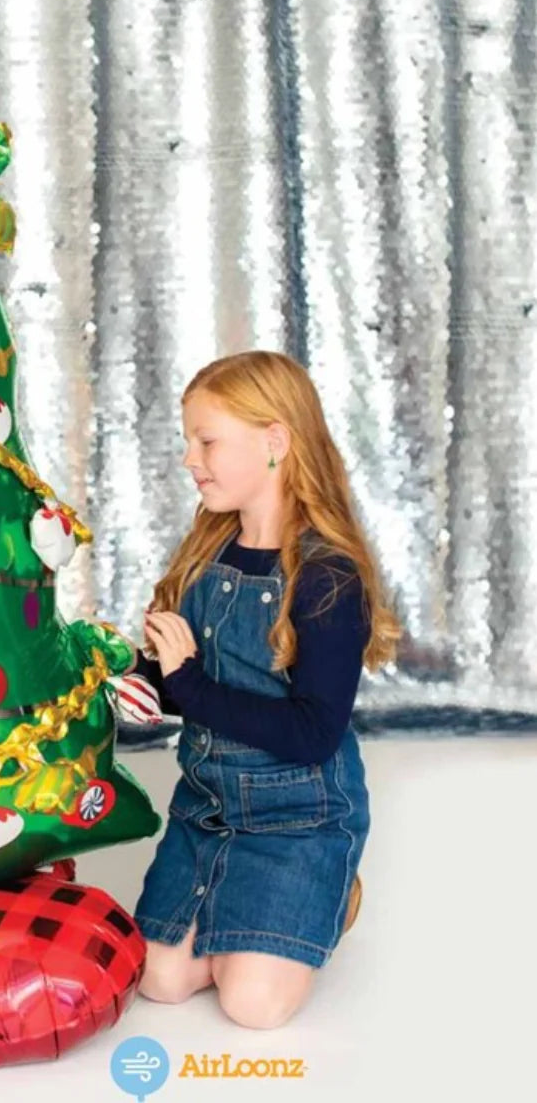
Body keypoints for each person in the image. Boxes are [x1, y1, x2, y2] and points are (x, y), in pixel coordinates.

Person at [122, 350, 400, 1029]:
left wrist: (184, 679)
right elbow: (182, 688)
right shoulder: (203, 554)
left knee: (252, 1006)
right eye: (188, 440)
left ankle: (330, 889)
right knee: (159, 979)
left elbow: (312, 734)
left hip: (298, 814)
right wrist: (130, 671)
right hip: (208, 807)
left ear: (275, 441)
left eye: (208, 441)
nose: (191, 458)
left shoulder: (326, 576)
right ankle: (258, 918)